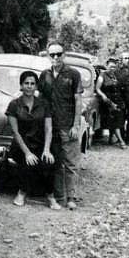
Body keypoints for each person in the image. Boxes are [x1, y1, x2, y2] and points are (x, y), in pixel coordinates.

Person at [38, 41, 83, 209]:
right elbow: (39, 96)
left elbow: (78, 100)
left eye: (59, 54)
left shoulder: (73, 74)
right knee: (56, 163)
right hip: (50, 127)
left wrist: (76, 125)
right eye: (52, 54)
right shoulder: (45, 75)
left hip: (67, 125)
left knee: (71, 163)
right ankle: (59, 197)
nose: (55, 57)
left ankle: (71, 197)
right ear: (48, 56)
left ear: (64, 55)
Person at [5, 71, 60, 210]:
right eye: (26, 83)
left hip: (41, 143)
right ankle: (21, 193)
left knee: (48, 161)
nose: (29, 86)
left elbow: (48, 129)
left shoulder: (44, 104)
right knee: (28, 162)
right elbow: (15, 132)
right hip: (22, 145)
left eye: (32, 84)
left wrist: (47, 150)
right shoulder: (14, 105)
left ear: (36, 86)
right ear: (21, 86)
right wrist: (27, 153)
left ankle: (51, 197)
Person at [95, 58, 126, 149]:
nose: (113, 69)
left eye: (114, 67)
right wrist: (103, 96)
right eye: (111, 67)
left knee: (119, 120)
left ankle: (111, 138)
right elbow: (97, 88)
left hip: (118, 100)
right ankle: (121, 141)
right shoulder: (102, 75)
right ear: (107, 66)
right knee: (115, 121)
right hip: (108, 101)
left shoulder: (116, 75)